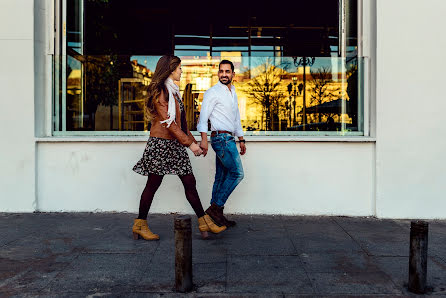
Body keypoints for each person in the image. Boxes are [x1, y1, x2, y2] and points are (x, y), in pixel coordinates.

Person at [132, 55, 226, 240]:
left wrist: (194, 141)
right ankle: (139, 224)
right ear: (171, 69)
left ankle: (203, 221)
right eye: (179, 68)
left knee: (189, 182)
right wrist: (190, 144)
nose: (181, 71)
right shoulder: (162, 91)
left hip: (174, 144)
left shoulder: (174, 91)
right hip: (160, 144)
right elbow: (169, 123)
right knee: (153, 184)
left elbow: (181, 124)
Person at [197, 60, 246, 228]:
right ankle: (215, 208)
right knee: (237, 173)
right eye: (221, 71)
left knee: (221, 177)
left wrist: (241, 139)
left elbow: (236, 118)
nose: (224, 74)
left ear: (233, 74)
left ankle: (215, 217)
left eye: (227, 71)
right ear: (218, 74)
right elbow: (203, 119)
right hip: (221, 139)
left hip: (229, 138)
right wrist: (204, 139)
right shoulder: (212, 92)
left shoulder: (232, 92)